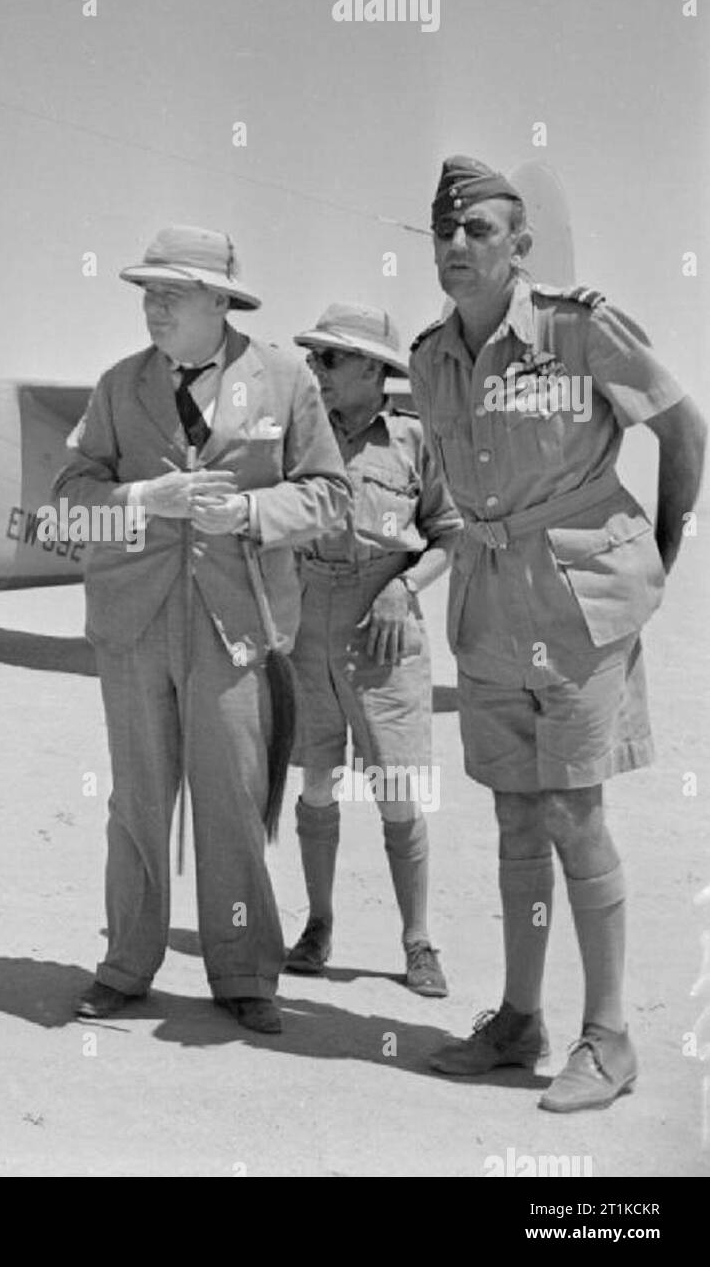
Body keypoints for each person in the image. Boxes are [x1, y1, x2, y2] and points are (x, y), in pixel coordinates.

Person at [410, 156, 706, 1111]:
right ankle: (518, 1020)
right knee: (511, 815)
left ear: (519, 245)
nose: (456, 247)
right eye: (443, 231)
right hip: (491, 605)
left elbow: (684, 428)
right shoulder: (428, 356)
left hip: (580, 604)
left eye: (479, 232)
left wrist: (657, 552)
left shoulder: (579, 330)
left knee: (575, 814)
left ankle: (609, 1039)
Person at [54, 225, 351, 1034]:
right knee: (136, 801)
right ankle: (125, 964)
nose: (153, 306)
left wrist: (251, 511)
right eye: (147, 291)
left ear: (220, 301)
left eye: (172, 292)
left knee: (232, 800)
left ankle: (245, 972)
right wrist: (146, 501)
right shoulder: (119, 385)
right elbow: (70, 498)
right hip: (134, 623)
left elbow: (330, 495)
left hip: (236, 623)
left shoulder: (286, 379)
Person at [287, 303, 462, 996]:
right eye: (313, 358)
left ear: (371, 368)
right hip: (309, 618)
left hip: (386, 627)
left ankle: (417, 941)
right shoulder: (300, 436)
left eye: (328, 359)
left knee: (395, 790)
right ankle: (318, 925)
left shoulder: (415, 441)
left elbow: (449, 534)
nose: (316, 371)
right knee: (315, 781)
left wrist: (403, 589)